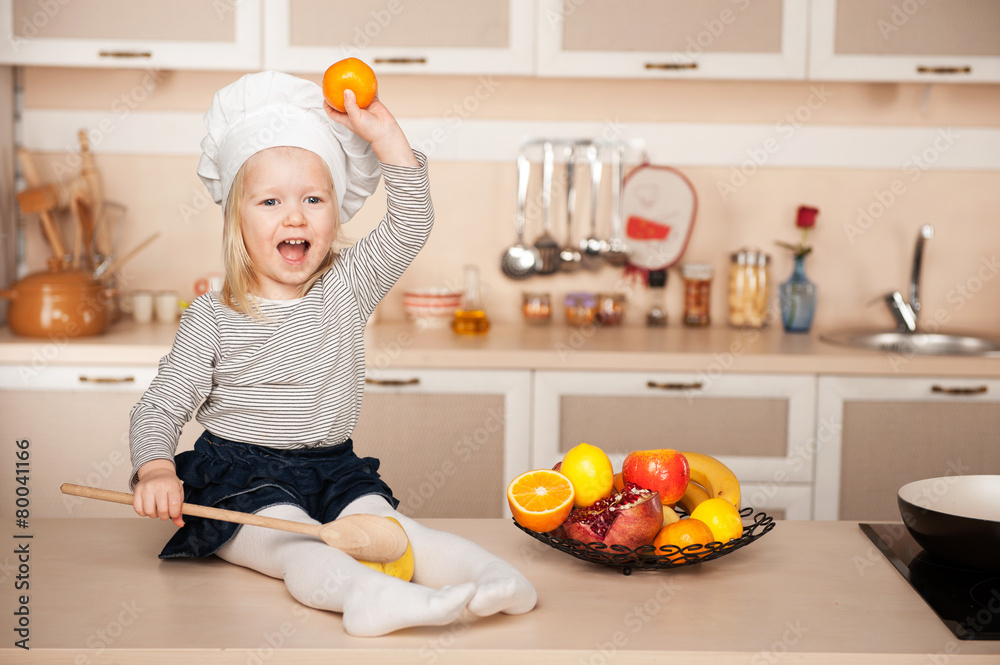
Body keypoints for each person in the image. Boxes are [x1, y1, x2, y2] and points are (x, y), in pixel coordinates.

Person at [128, 70, 536, 637]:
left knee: (395, 530)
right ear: (236, 218)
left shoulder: (347, 286)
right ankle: (368, 598)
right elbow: (160, 406)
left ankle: (496, 580)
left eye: (313, 199)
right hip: (239, 478)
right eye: (270, 200)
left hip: (333, 467)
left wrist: (385, 135)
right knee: (296, 545)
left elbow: (412, 221)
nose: (295, 216)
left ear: (335, 213)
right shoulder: (212, 317)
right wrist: (154, 467)